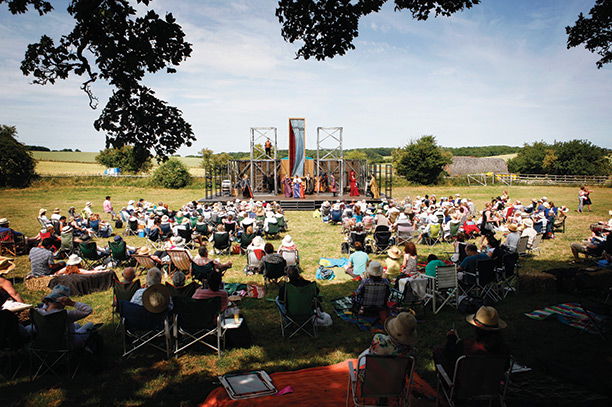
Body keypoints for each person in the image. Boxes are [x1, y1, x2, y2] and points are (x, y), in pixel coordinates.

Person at [434, 306, 510, 373]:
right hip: (491, 387)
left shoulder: (467, 346)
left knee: (438, 352)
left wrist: (451, 339)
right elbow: (506, 368)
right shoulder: (504, 349)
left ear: (477, 328)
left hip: (465, 386)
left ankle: (445, 385)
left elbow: (449, 355)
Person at [29, 285, 96, 349]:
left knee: (77, 325)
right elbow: (88, 310)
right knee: (90, 324)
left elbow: (48, 308)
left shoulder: (37, 312)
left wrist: (47, 302)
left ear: (47, 301)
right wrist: (72, 303)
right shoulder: (67, 315)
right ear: (64, 302)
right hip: (66, 344)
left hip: (43, 344)